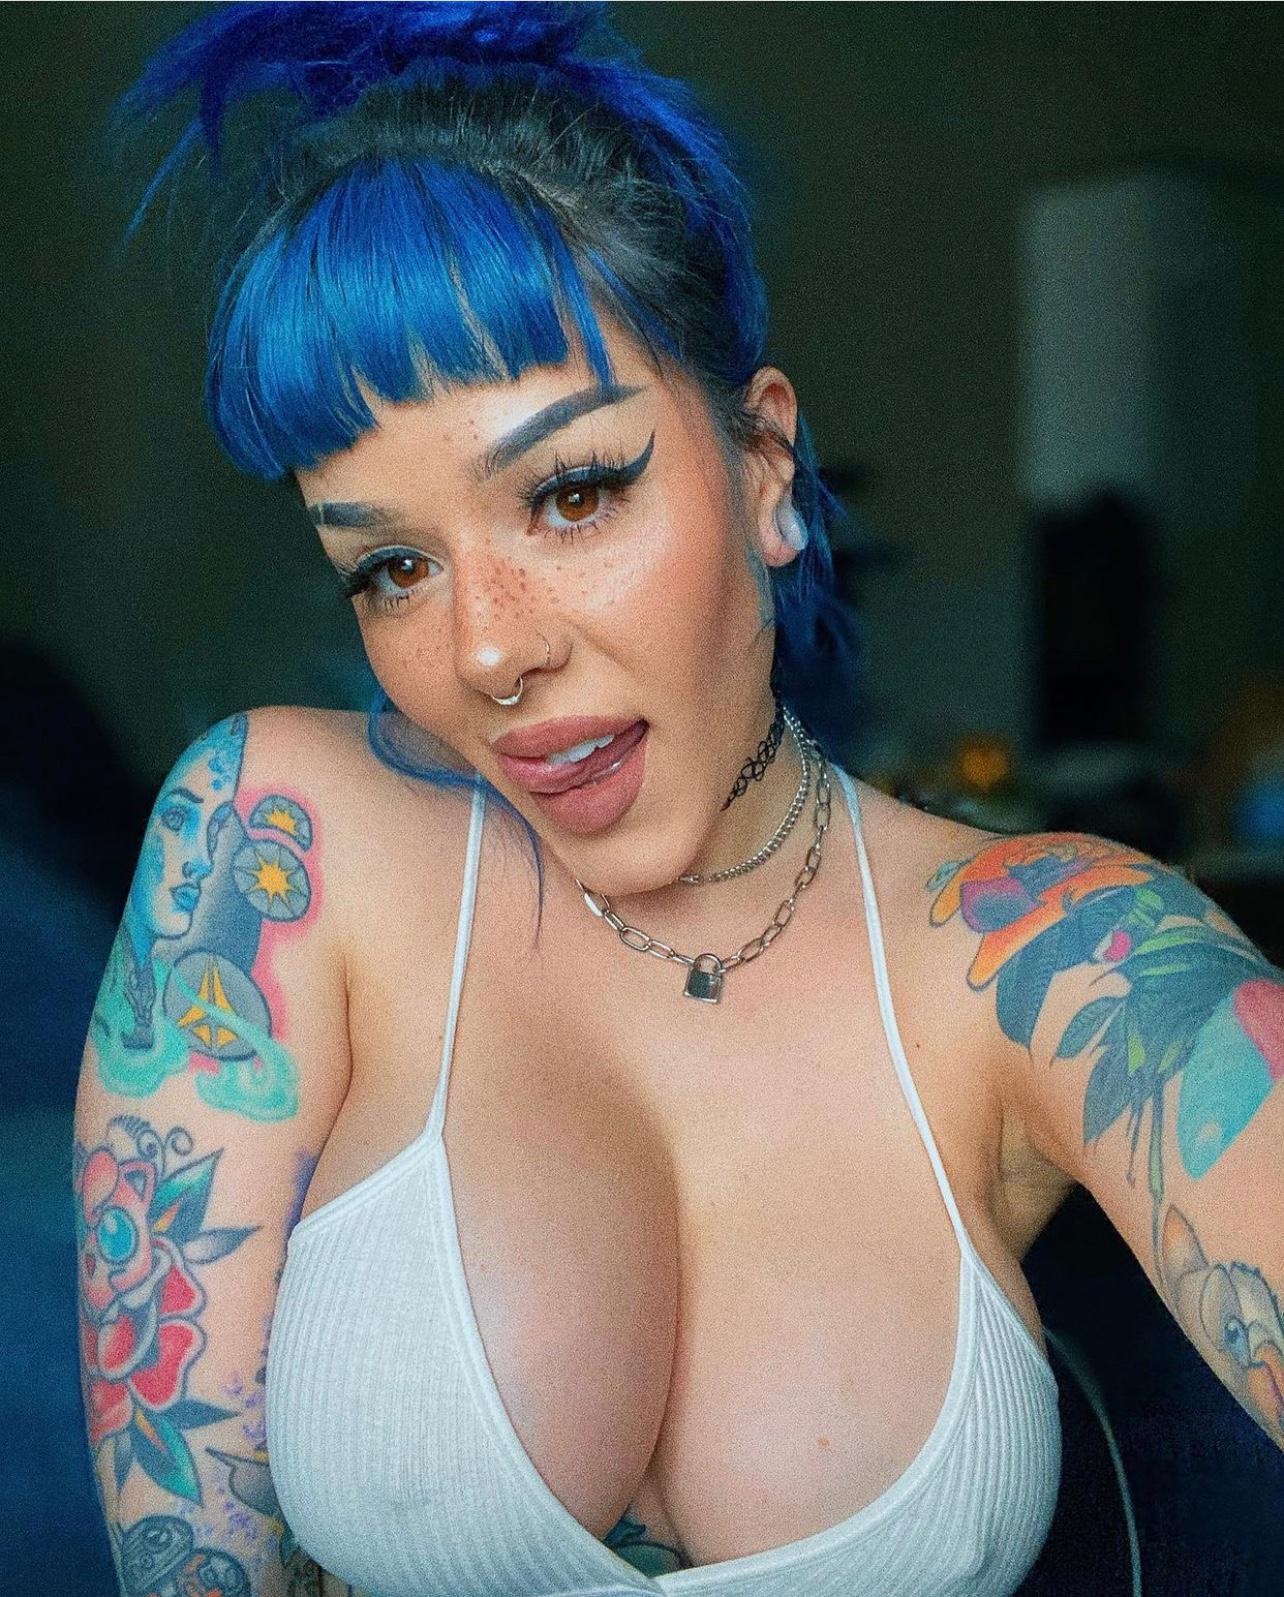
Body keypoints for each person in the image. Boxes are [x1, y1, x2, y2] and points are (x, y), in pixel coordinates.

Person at [74, 6, 1284, 1596]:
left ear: (767, 463)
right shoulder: (277, 849)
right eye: (393, 567)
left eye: (573, 492)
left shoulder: (1041, 958)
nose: (486, 649)